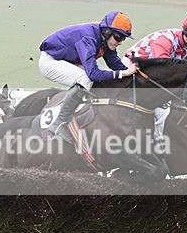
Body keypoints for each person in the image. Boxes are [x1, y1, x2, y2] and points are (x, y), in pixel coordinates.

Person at [38, 10, 137, 143]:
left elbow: (115, 65)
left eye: (123, 38)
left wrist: (136, 75)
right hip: (51, 62)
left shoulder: (105, 38)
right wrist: (124, 73)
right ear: (107, 32)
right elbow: (93, 74)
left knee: (99, 80)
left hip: (68, 61)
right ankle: (59, 124)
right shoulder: (88, 38)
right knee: (86, 79)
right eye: (119, 37)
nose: (120, 42)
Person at [124, 12, 187, 137]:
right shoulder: (165, 41)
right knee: (163, 111)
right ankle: (156, 141)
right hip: (132, 69)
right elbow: (163, 73)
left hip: (150, 74)